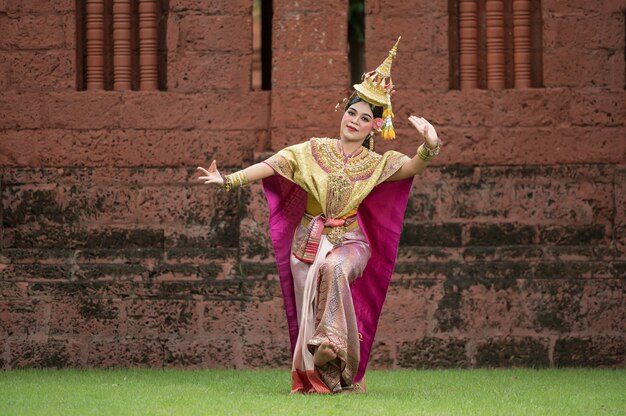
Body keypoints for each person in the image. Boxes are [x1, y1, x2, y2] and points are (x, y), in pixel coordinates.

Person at [196, 37, 440, 393]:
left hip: (352, 242)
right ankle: (329, 377)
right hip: (308, 242)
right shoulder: (312, 150)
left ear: (375, 127)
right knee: (309, 305)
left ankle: (330, 344)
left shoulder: (377, 164)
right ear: (343, 113)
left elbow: (412, 166)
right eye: (351, 113)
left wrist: (430, 146)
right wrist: (228, 180)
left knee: (334, 268)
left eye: (364, 118)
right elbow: (272, 165)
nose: (354, 121)